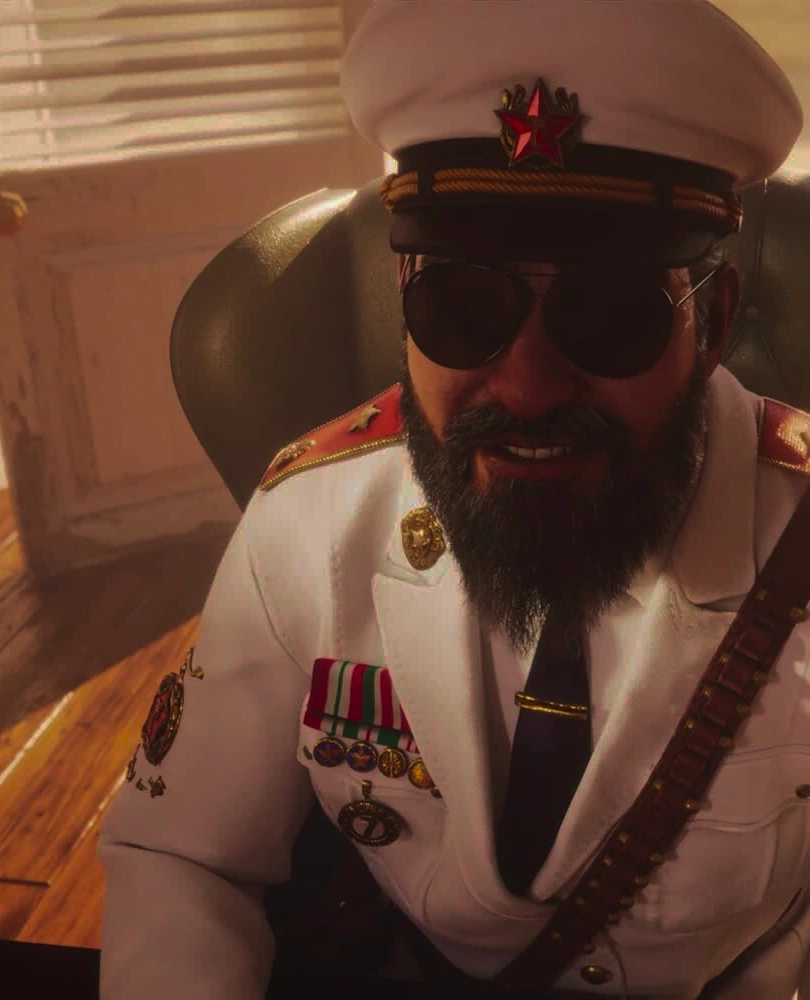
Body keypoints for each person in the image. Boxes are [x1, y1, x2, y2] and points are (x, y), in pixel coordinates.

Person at [97, 1, 810, 997]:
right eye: (462, 307)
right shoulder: (310, 524)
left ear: (716, 321)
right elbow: (184, 853)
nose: (527, 386)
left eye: (610, 315)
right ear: (404, 304)